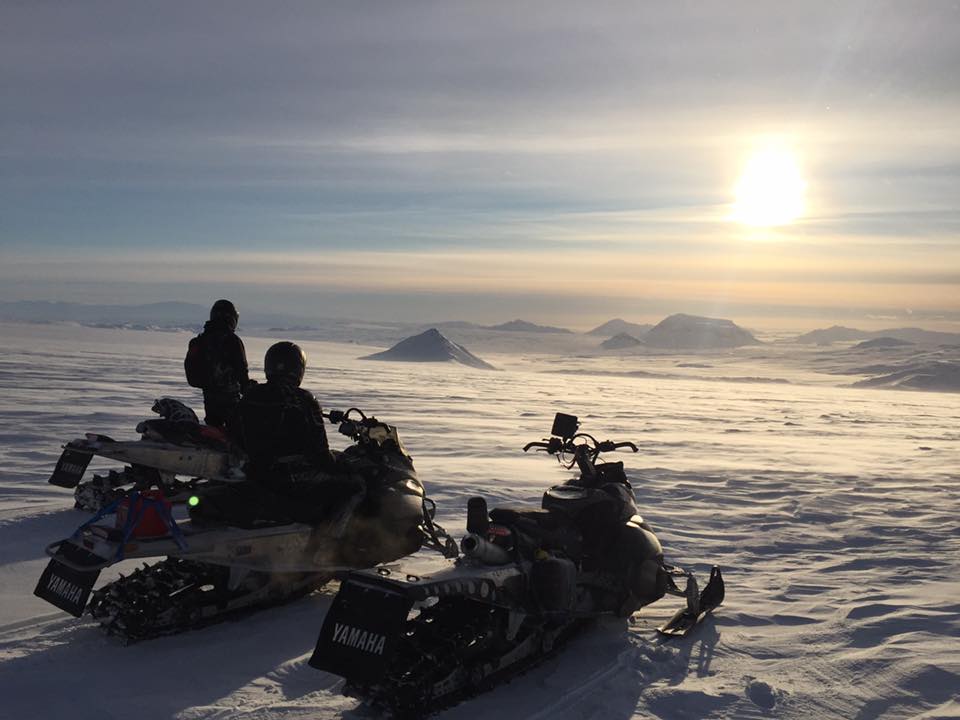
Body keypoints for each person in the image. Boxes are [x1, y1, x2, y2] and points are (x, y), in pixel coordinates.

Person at [191, 341, 352, 527]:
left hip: (257, 475)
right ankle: (330, 542)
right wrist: (341, 468)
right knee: (353, 485)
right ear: (298, 368)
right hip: (292, 477)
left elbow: (235, 436)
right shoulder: (302, 400)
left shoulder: (250, 397)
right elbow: (320, 453)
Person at [184, 299, 252, 429]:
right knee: (237, 433)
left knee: (214, 429)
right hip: (230, 398)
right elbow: (241, 369)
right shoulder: (232, 340)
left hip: (209, 397)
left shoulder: (201, 340)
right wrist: (247, 388)